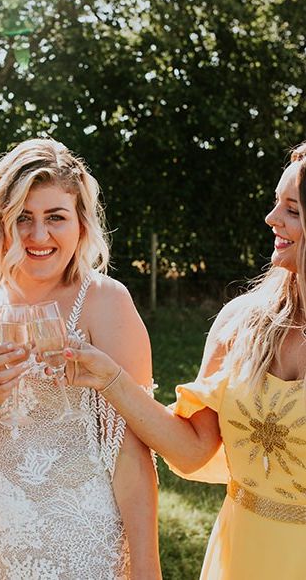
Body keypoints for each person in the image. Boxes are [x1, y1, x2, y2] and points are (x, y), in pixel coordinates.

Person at [64, 142, 306, 579]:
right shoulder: (242, 323)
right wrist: (110, 379)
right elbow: (192, 451)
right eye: (276, 203)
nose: (272, 219)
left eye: (292, 209)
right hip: (243, 552)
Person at [0, 138, 161, 579]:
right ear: (1, 222)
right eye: (23, 218)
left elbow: (131, 450)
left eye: (56, 217)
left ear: (81, 223)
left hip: (81, 544)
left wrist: (146, 566)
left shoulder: (106, 302)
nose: (38, 236)